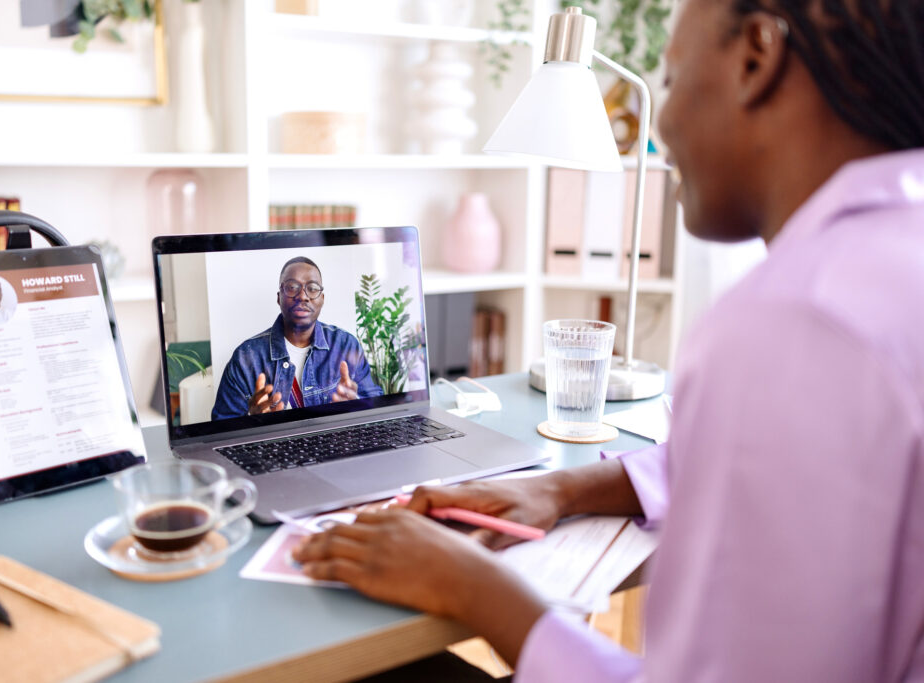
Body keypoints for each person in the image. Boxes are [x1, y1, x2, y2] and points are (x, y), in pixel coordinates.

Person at [293, 0, 924, 680]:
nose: (663, 130)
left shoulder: (795, 322)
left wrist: (468, 584)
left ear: (755, 59)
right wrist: (560, 490)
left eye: (675, 81)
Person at [212, 256, 383, 420]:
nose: (303, 296)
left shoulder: (345, 345)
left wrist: (357, 405)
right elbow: (220, 429)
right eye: (292, 287)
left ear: (322, 299)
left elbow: (377, 410)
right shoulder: (245, 358)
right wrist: (252, 421)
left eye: (313, 288)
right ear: (279, 297)